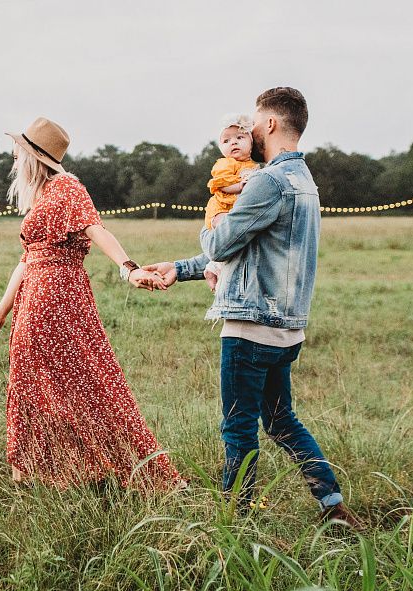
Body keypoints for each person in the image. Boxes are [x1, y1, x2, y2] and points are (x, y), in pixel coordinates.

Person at [143, 88, 364, 530]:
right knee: (281, 421)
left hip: (251, 327)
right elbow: (249, 248)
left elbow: (221, 244)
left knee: (238, 427)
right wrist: (180, 269)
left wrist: (211, 220)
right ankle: (333, 505)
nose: (249, 131)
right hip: (286, 328)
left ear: (271, 124)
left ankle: (234, 521)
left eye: (254, 123)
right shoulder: (304, 181)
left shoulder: (267, 181)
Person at [0, 117, 185, 491]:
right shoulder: (44, 195)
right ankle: (43, 472)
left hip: (57, 298)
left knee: (88, 382)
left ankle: (117, 468)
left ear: (34, 156)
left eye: (17, 153)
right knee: (36, 382)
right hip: (35, 299)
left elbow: (96, 228)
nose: (13, 160)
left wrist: (128, 268)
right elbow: (27, 260)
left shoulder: (66, 187)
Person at [203, 113, 260, 289]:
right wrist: (239, 186)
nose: (233, 143)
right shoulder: (226, 163)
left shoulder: (253, 166)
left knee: (237, 238)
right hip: (221, 208)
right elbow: (221, 184)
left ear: (251, 142)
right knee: (227, 234)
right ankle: (219, 270)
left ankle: (211, 267)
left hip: (234, 210)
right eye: (226, 141)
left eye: (239, 138)